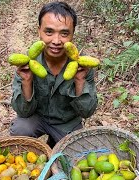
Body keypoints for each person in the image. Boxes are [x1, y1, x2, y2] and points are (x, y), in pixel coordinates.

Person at [10, 1, 98, 148]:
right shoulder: (28, 63)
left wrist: (80, 81)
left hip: (67, 123)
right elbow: (23, 112)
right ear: (39, 31)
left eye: (64, 33)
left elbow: (87, 112)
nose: (56, 41)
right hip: (36, 118)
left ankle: (54, 142)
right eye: (49, 32)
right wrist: (26, 82)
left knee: (77, 154)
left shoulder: (82, 66)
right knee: (20, 129)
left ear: (72, 34)